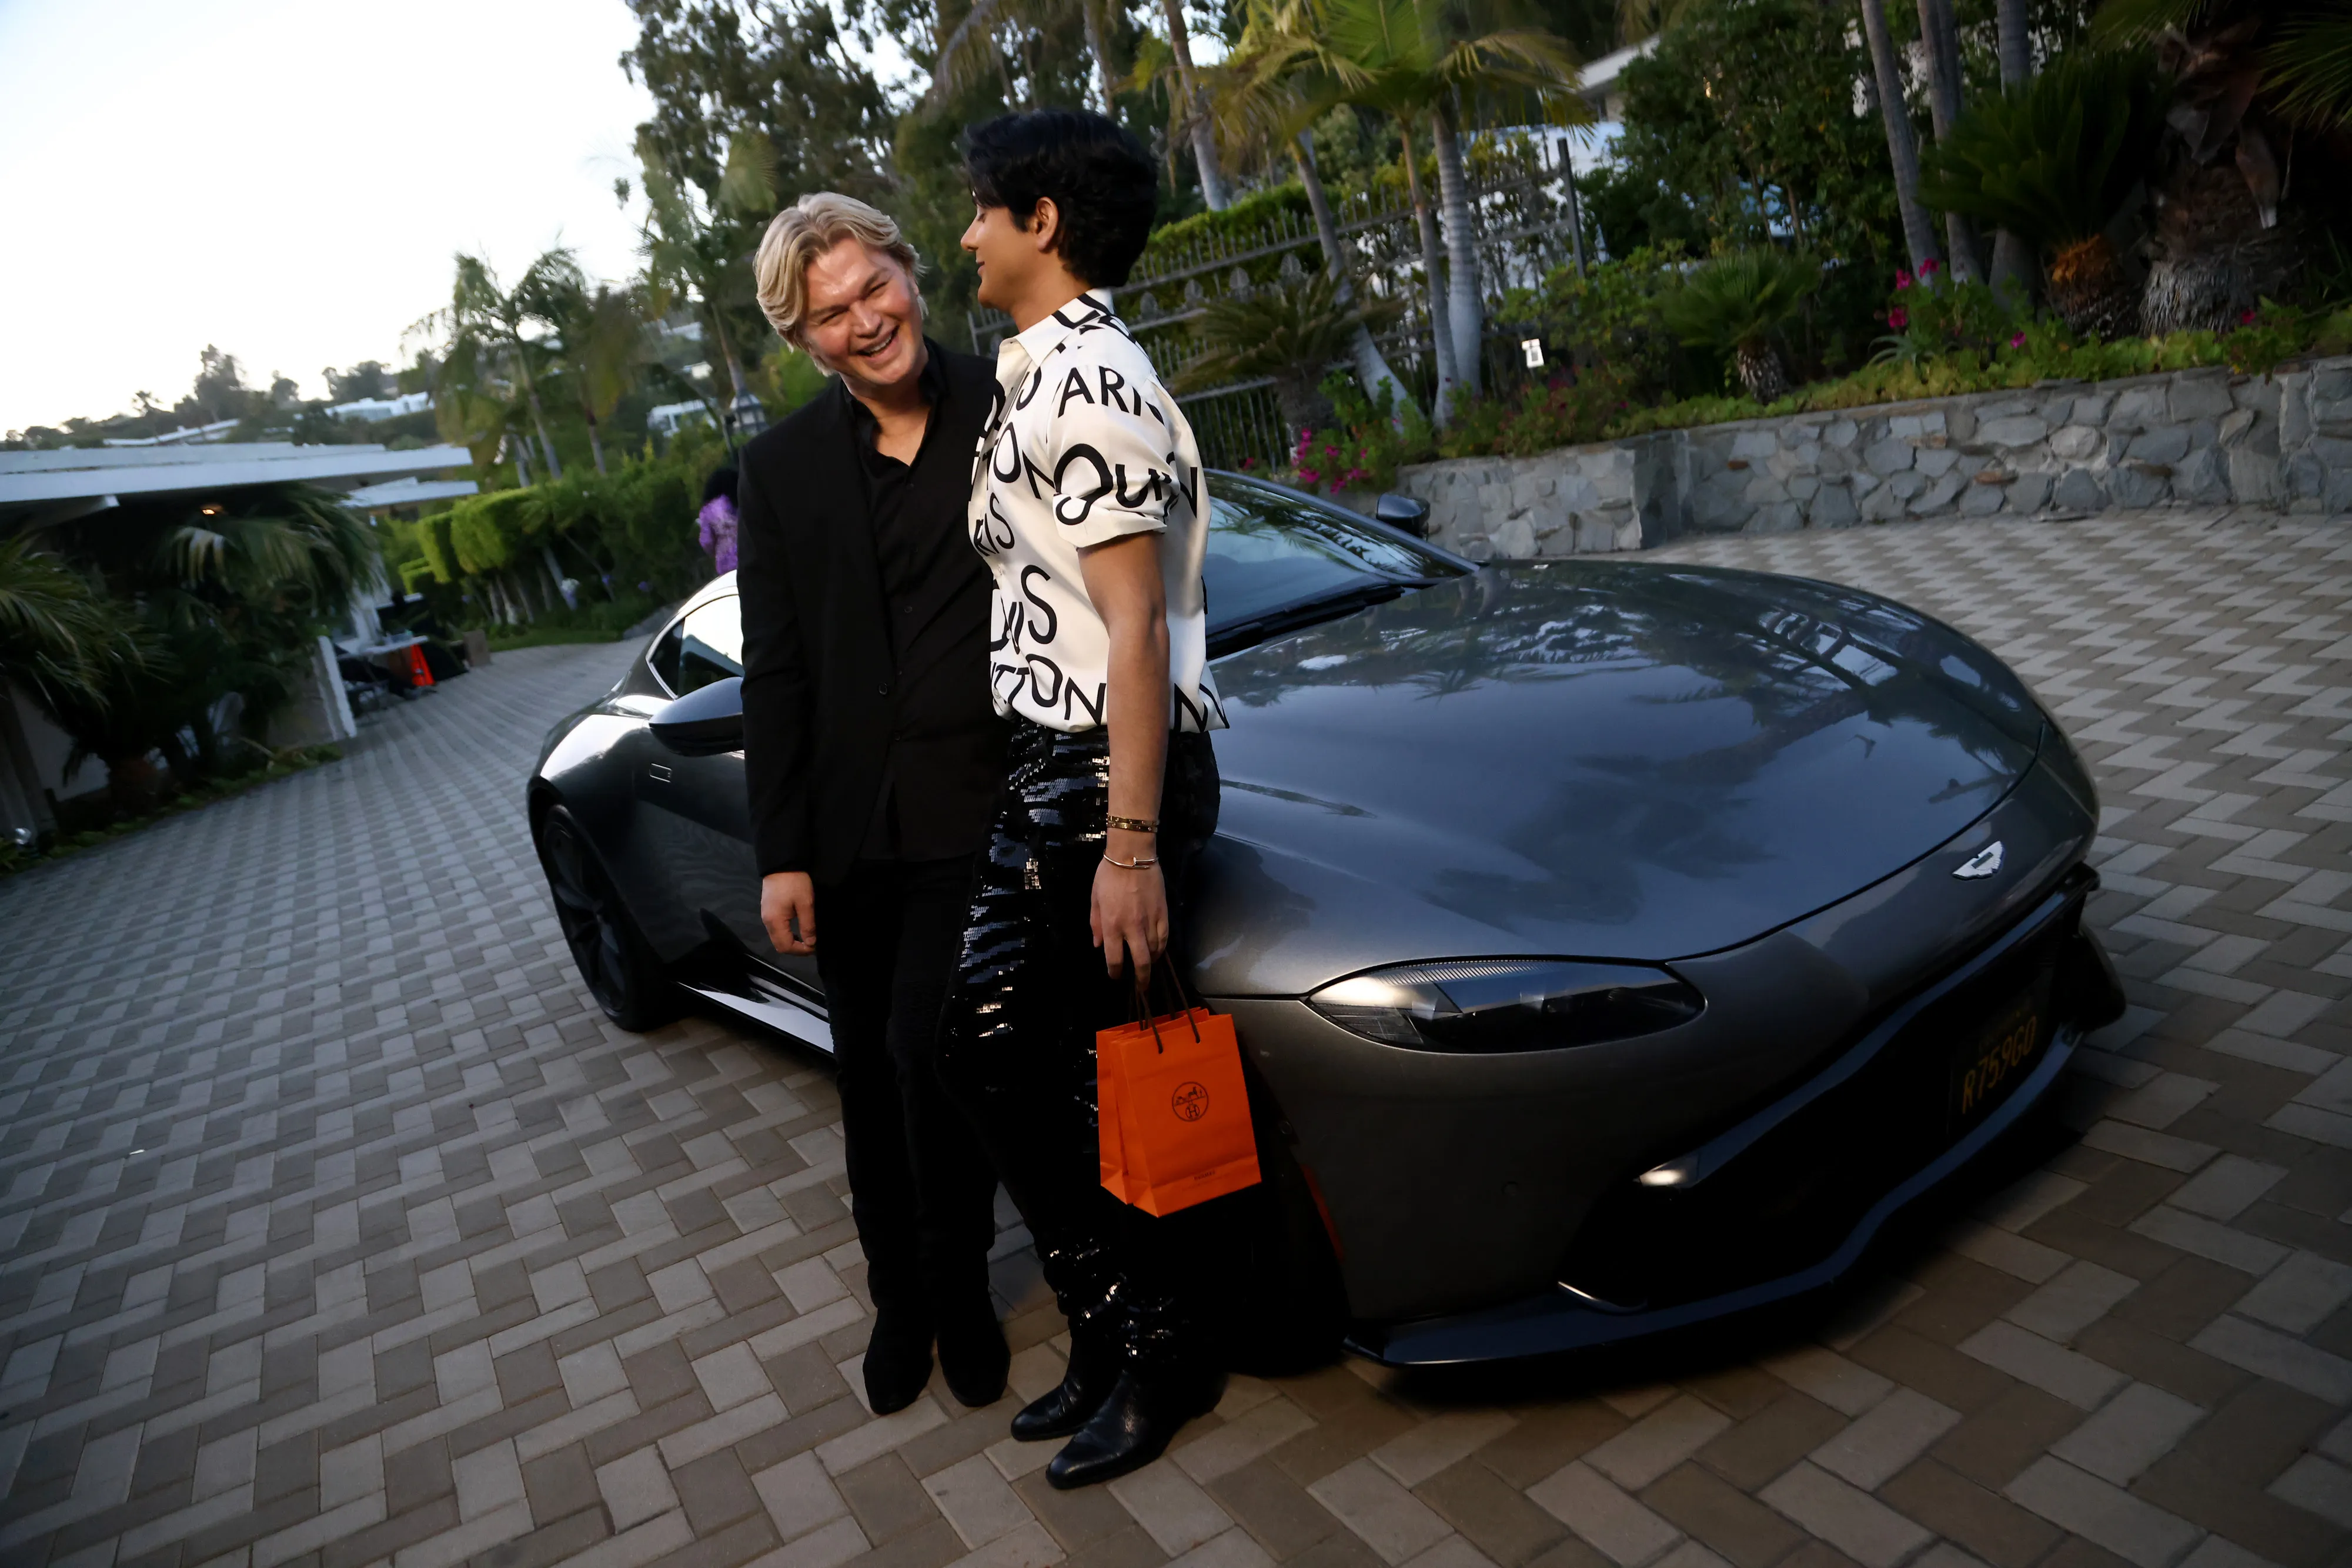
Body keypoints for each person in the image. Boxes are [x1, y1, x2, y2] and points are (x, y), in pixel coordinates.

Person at [941, 109, 1227, 1490]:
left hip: (1094, 776)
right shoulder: (1039, 370)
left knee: (1102, 1075)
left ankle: (1161, 1347)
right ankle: (1116, 1329)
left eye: (980, 210)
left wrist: (1128, 837)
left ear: (1039, 222)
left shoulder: (1085, 381)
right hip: (1050, 767)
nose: (965, 235)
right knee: (998, 1049)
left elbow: (1137, 631)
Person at [735, 193, 1011, 1416]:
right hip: (849, 834)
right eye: (831, 313)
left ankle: (958, 1292)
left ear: (907, 270)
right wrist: (781, 852)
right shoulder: (782, 470)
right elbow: (777, 670)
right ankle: (898, 1293)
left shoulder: (1011, 400)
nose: (865, 321)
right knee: (867, 1080)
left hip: (977, 807)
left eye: (873, 288)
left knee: (926, 1052)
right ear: (804, 342)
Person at [698, 465, 740, 574]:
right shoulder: (740, 499)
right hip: (752, 553)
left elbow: (707, 542)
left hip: (729, 567)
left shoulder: (708, 511)